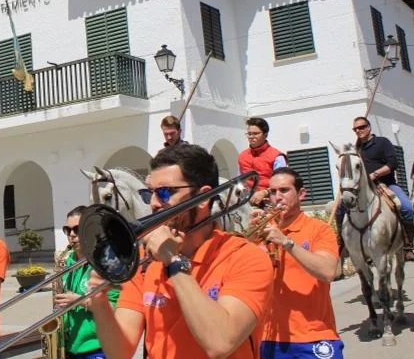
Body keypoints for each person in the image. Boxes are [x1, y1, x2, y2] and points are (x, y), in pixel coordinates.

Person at [85, 143, 274, 359]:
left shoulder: (246, 257)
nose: (154, 203)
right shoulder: (146, 261)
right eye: (150, 193)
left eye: (165, 193)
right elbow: (120, 352)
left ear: (203, 198)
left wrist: (173, 262)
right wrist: (100, 304)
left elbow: (220, 343)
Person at [252, 168, 343, 359]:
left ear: (301, 194)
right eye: (273, 192)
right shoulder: (263, 232)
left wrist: (286, 242)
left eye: (284, 190)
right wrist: (252, 241)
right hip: (269, 337)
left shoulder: (319, 229)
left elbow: (328, 271)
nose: (277, 197)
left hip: (315, 335)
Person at [335, 117, 414, 261]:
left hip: (387, 184)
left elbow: (393, 163)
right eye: (355, 129)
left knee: (407, 208)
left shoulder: (383, 142)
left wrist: (375, 174)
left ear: (369, 127)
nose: (358, 130)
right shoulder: (356, 149)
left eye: (361, 127)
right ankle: (344, 245)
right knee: (340, 209)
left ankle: (408, 245)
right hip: (363, 189)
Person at [54, 205, 120, 359]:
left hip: (97, 347)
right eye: (67, 230)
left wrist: (79, 301)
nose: (71, 235)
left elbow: (116, 309)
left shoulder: (107, 264)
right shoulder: (67, 263)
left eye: (77, 229)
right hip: (70, 347)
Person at [238, 117, 287, 206]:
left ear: (265, 135)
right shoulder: (242, 156)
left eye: (256, 134)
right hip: (247, 203)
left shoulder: (277, 156)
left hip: (272, 203)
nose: (251, 137)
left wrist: (265, 192)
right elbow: (241, 181)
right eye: (249, 134)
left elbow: (282, 183)